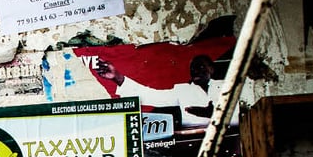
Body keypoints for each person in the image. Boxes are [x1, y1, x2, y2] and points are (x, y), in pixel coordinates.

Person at [96, 55, 235, 128]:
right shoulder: (183, 90)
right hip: (196, 140)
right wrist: (118, 77)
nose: (196, 70)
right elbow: (151, 96)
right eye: (193, 68)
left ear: (212, 68)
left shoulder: (227, 86)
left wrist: (215, 113)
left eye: (201, 66)